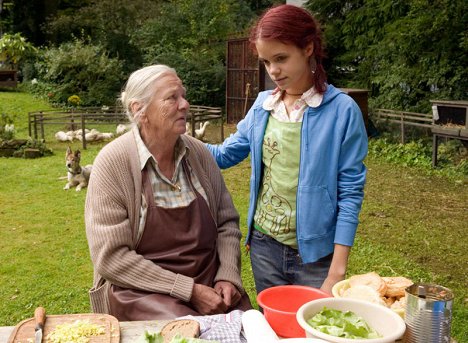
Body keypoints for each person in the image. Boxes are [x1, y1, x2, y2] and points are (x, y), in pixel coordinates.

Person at [206, 5, 368, 295]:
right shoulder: (262, 106)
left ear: (308, 48)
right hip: (264, 248)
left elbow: (350, 193)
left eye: (281, 58)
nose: (273, 71)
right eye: (266, 62)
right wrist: (175, 139)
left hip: (316, 258)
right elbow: (224, 155)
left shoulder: (343, 111)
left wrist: (336, 272)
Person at [85, 64, 251, 321]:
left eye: (183, 95)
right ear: (139, 110)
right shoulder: (113, 163)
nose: (184, 104)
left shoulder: (199, 155)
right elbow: (112, 258)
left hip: (210, 283)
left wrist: (228, 274)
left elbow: (226, 222)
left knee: (252, 329)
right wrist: (189, 291)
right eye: (172, 97)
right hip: (142, 292)